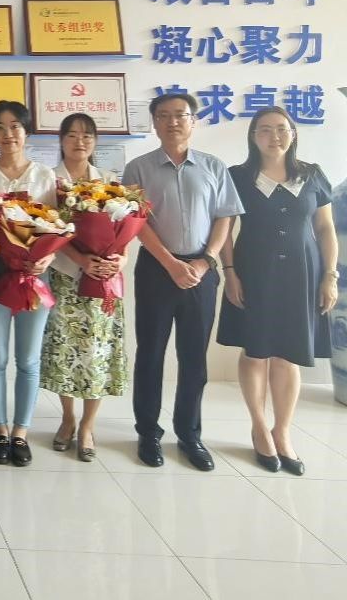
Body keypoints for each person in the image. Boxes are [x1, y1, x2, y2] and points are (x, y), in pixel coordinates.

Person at [122, 92, 242, 472]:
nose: (173, 122)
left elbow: (224, 217)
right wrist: (171, 263)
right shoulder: (138, 169)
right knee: (150, 354)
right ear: (154, 122)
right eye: (164, 115)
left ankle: (189, 434)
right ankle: (147, 432)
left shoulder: (213, 166)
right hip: (156, 270)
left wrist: (207, 261)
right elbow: (136, 223)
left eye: (180, 115)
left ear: (193, 120)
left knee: (193, 358)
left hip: (201, 272)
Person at [217, 106, 339, 476]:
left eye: (282, 129)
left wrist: (330, 275)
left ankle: (282, 432)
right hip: (254, 273)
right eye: (265, 129)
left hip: (303, 275)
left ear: (293, 133)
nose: (275, 136)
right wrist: (230, 273)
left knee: (289, 354)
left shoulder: (312, 174)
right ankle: (259, 427)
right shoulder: (238, 176)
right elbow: (224, 230)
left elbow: (325, 229)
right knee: (255, 352)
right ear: (253, 136)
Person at [0, 101, 57, 467]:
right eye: (0, 127)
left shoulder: (44, 175)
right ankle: (0, 430)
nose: (9, 134)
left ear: (27, 132)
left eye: (15, 126)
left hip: (34, 277)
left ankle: (21, 432)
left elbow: (56, 227)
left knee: (28, 359)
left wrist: (47, 260)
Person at [40, 113, 128, 463]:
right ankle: (67, 418)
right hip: (65, 278)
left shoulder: (108, 182)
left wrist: (119, 260)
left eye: (87, 135)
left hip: (103, 280)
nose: (80, 141)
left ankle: (88, 426)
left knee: (98, 353)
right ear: (61, 140)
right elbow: (47, 231)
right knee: (64, 351)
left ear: (95, 141)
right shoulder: (50, 182)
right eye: (73, 135)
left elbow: (125, 234)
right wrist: (80, 259)